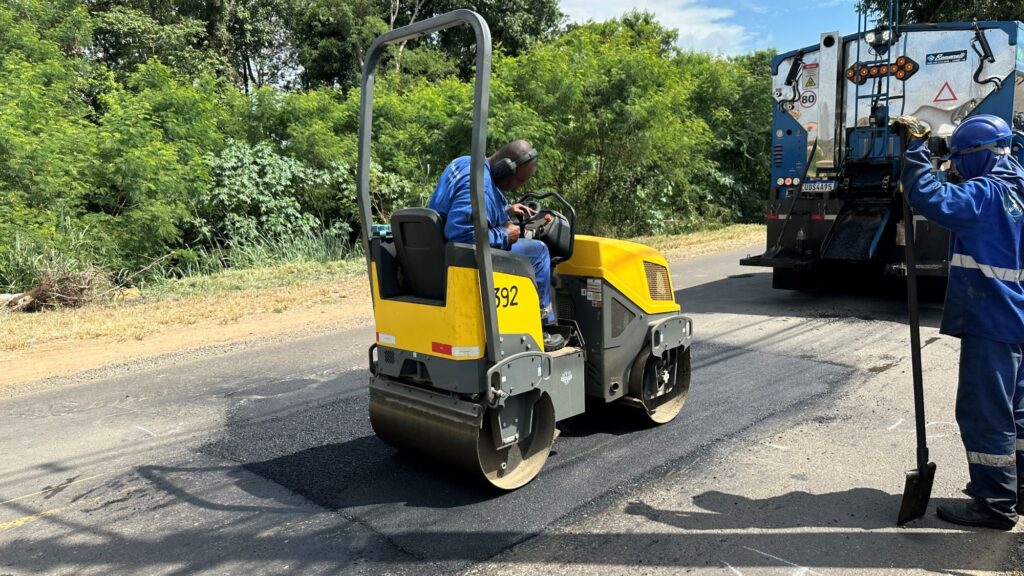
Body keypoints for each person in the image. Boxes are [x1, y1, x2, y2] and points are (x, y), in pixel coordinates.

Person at [898, 114, 1024, 530]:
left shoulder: (985, 195)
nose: (954, 168)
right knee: (1018, 413)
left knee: (984, 412)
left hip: (992, 319)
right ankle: (1017, 490)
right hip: (1017, 320)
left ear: (975, 157)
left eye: (957, 160)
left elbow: (929, 198)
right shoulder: (1017, 189)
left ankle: (994, 503)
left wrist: (916, 149)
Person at [428, 139, 565, 351]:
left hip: (440, 255)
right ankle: (543, 327)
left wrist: (507, 210)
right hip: (463, 260)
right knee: (539, 251)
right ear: (504, 169)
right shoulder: (479, 185)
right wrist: (504, 234)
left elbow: (472, 209)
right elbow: (460, 235)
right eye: (519, 180)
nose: (520, 186)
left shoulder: (465, 163)